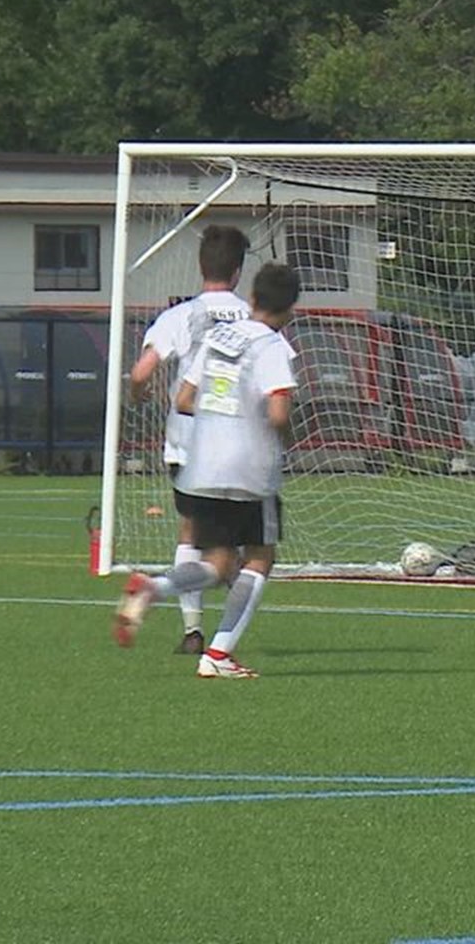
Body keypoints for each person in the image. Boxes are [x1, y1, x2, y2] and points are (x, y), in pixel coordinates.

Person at [114, 263, 300, 677]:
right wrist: (282, 439)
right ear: (290, 311)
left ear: (252, 299)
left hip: (201, 464)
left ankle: (154, 587)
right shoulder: (272, 346)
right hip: (250, 468)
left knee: (218, 565)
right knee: (259, 557)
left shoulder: (217, 337)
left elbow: (183, 399)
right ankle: (217, 656)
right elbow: (278, 411)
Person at [127, 225, 252, 654]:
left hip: (187, 446)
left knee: (189, 535)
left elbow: (142, 372)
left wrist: (139, 395)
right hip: (240, 448)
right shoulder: (255, 317)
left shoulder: (178, 316)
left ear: (203, 268)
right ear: (237, 271)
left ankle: (192, 632)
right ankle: (221, 647)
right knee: (246, 554)